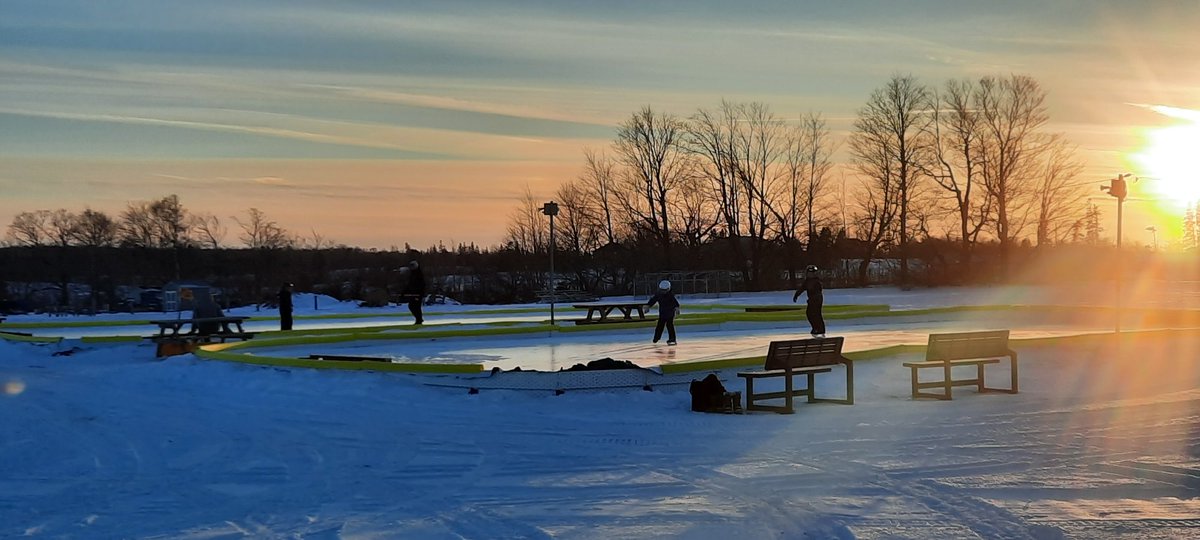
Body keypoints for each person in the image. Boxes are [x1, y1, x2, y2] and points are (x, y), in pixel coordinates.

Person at [793, 265, 826, 337]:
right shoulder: (807, 281)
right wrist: (796, 295)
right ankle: (816, 328)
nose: (810, 274)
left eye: (812, 273)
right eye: (809, 273)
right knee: (810, 314)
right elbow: (802, 288)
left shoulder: (816, 282)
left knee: (816, 314)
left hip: (817, 300)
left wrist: (813, 300)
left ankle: (820, 329)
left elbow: (818, 292)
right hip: (812, 300)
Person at [646, 279, 680, 345]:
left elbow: (675, 303)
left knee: (669, 325)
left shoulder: (670, 295)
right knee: (660, 325)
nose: (663, 292)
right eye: (662, 290)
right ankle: (657, 337)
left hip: (670, 313)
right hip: (662, 313)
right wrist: (648, 306)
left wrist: (677, 308)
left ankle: (672, 338)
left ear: (668, 289)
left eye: (665, 290)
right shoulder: (658, 295)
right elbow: (653, 300)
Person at [403, 260, 426, 325]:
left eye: (412, 266)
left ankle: (419, 320)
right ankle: (419, 319)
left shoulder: (419, 274)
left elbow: (422, 284)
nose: (411, 267)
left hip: (418, 294)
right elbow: (409, 285)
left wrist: (420, 293)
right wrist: (404, 292)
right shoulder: (412, 274)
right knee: (412, 306)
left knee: (416, 306)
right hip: (413, 293)